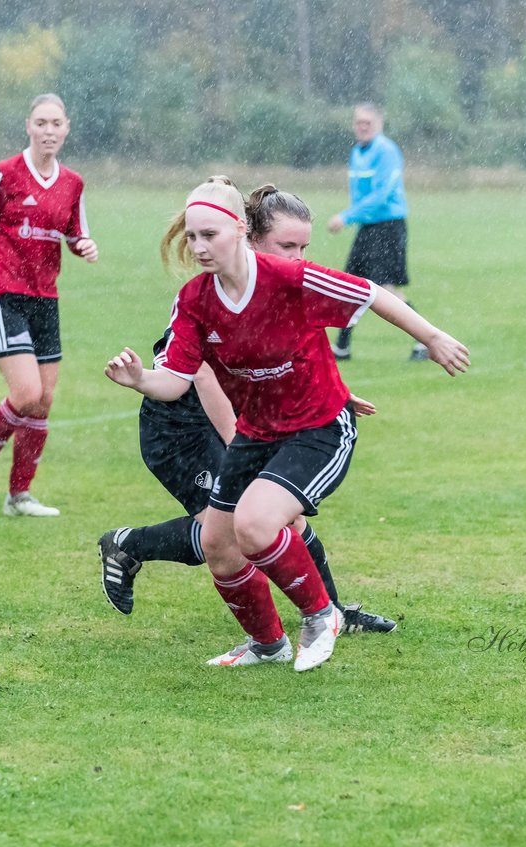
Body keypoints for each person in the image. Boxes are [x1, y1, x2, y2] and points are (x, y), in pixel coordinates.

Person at [105, 178, 469, 671]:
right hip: (256, 431)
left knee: (256, 526)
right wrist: (138, 379)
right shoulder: (194, 299)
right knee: (218, 544)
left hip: (316, 428)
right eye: (192, 237)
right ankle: (267, 646)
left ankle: (323, 616)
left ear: (239, 230)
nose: (198, 247)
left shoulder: (290, 278)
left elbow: (371, 295)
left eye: (209, 235)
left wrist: (433, 337)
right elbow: (176, 381)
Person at [0, 94, 97, 519]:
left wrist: (83, 246)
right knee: (26, 392)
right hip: (2, 295)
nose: (49, 130)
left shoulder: (73, 183)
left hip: (45, 299)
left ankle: (19, 495)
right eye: (41, 123)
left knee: (43, 400)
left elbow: (73, 235)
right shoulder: (2, 174)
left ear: (67, 127)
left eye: (56, 123)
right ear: (29, 126)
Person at [326, 102, 425, 362]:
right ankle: (342, 348)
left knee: (386, 289)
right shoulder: (357, 153)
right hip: (367, 228)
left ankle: (424, 341)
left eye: (368, 123)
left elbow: (381, 196)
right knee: (351, 285)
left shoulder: (386, 151)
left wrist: (347, 216)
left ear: (379, 124)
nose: (363, 127)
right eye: (359, 122)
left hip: (388, 227)